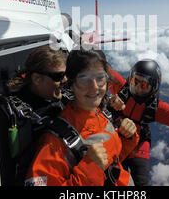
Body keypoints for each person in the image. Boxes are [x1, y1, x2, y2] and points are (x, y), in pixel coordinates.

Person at [25, 49, 139, 186]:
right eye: (84, 79)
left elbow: (114, 159)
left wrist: (128, 136)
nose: (94, 87)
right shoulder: (55, 141)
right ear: (71, 84)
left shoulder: (101, 113)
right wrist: (89, 170)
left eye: (100, 78)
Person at [0, 45, 69, 185]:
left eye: (65, 74)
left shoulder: (65, 100)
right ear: (37, 79)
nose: (65, 80)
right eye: (58, 76)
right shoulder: (9, 113)